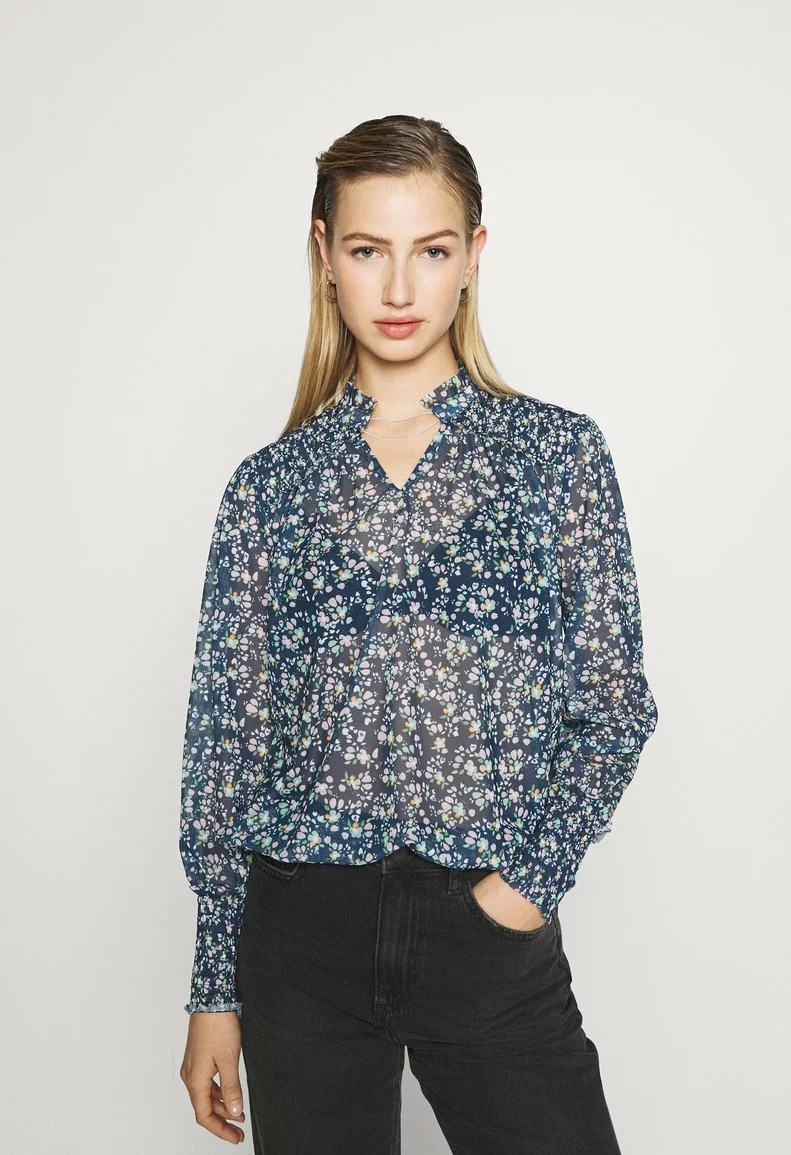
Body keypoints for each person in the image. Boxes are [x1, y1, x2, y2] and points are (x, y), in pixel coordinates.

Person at [178, 113, 658, 1153]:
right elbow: (226, 750)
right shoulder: (269, 490)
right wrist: (214, 985)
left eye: (430, 251)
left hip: (486, 932)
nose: (399, 288)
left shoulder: (554, 458)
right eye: (367, 250)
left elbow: (615, 707)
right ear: (324, 255)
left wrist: (523, 890)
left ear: (472, 256)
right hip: (301, 939)